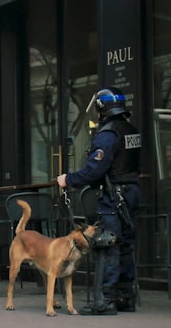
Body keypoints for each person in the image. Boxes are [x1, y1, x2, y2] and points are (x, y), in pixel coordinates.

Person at [56, 88, 141, 315]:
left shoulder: (108, 134)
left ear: (101, 108)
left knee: (108, 245)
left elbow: (95, 170)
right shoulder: (131, 130)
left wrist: (68, 180)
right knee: (125, 246)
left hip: (115, 197)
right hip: (131, 193)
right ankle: (126, 297)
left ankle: (105, 300)